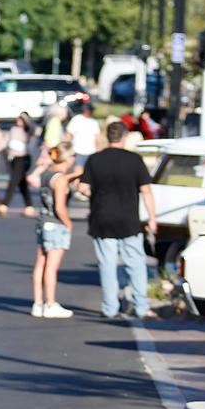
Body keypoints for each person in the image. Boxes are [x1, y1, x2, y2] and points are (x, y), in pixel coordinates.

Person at [77, 120, 158, 320]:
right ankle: (141, 306)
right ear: (125, 136)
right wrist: (152, 218)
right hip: (128, 219)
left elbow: (82, 187)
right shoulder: (134, 160)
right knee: (136, 264)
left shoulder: (95, 160)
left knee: (107, 264)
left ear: (107, 136)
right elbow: (146, 191)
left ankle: (110, 307)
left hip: (102, 218)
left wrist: (94, 196)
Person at [31, 143, 79, 319]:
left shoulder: (47, 173)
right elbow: (60, 207)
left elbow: (60, 181)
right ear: (67, 158)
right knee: (52, 267)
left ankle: (38, 303)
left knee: (40, 264)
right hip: (56, 223)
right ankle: (50, 303)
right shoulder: (60, 180)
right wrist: (68, 223)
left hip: (43, 221)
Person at [0, 112, 35, 213]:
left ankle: (4, 204)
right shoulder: (13, 130)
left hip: (23, 158)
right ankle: (29, 205)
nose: (18, 121)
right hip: (14, 158)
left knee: (13, 181)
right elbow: (4, 143)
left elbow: (31, 126)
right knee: (22, 183)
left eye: (21, 119)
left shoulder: (28, 130)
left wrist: (24, 116)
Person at [64, 102, 102, 169]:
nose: (91, 112)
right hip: (77, 152)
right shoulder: (76, 119)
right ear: (85, 110)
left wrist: (98, 151)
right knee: (77, 171)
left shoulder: (94, 122)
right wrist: (67, 149)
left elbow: (98, 138)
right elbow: (68, 135)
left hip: (90, 152)